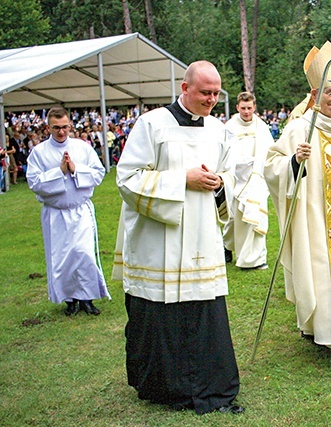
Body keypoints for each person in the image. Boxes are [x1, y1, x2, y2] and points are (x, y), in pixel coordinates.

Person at [112, 60, 244, 415]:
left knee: (204, 313)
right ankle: (165, 387)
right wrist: (180, 180)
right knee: (162, 315)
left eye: (216, 93)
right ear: (184, 88)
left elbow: (232, 176)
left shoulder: (219, 129)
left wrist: (220, 185)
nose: (212, 100)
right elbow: (126, 179)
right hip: (160, 242)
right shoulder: (152, 124)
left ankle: (211, 386)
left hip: (202, 237)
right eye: (205, 92)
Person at [264, 41, 331, 366]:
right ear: (315, 94)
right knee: (319, 272)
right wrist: (295, 163)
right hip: (313, 218)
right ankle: (320, 330)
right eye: (330, 93)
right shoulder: (298, 128)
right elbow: (271, 166)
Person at [26, 106, 110, 316]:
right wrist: (59, 172)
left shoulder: (82, 148)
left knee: (83, 253)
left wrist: (75, 169)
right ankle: (70, 300)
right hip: (56, 214)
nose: (61, 132)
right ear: (48, 127)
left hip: (80, 211)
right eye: (56, 128)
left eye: (64, 127)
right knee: (61, 258)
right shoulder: (39, 152)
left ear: (70, 125)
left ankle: (87, 298)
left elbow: (98, 174)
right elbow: (34, 183)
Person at [223, 91, 273, 270]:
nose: (246, 112)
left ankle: (253, 259)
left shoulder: (261, 127)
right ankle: (227, 246)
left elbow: (269, 151)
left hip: (256, 177)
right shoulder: (229, 127)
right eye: (243, 108)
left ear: (254, 107)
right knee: (233, 217)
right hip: (236, 178)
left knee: (254, 214)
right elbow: (225, 153)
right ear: (237, 108)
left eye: (249, 108)